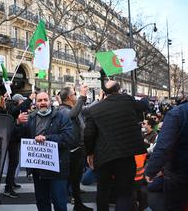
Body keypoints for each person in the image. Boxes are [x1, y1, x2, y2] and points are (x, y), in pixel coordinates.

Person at [84, 80, 148, 211]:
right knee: (125, 193)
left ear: (103, 93)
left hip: (103, 156)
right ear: (119, 90)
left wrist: (90, 154)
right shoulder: (127, 100)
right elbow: (144, 105)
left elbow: (88, 135)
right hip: (126, 155)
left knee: (102, 191)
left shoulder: (93, 109)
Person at [15, 91, 76, 211]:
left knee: (59, 203)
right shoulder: (30, 118)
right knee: (42, 203)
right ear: (35, 103)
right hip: (39, 171)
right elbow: (17, 137)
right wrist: (17, 123)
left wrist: (46, 139)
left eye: (45, 100)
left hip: (57, 170)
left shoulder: (61, 117)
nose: (43, 103)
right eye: (39, 100)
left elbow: (69, 138)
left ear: (50, 101)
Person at [145, 102, 188, 210]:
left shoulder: (178, 113)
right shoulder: (178, 114)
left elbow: (163, 146)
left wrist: (151, 170)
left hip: (179, 172)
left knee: (174, 206)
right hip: (178, 170)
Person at [58, 85, 93, 211]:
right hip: (71, 152)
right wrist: (82, 96)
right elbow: (72, 115)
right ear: (69, 97)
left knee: (75, 179)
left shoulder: (73, 107)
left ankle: (78, 205)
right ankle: (63, 203)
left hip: (78, 149)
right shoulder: (63, 109)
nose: (76, 96)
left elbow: (86, 109)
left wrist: (100, 100)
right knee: (69, 179)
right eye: (74, 94)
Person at [4, 93, 35, 198]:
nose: (23, 103)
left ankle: (11, 182)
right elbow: (18, 110)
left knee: (15, 163)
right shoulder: (11, 108)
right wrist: (30, 99)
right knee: (13, 164)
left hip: (15, 139)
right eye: (22, 101)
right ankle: (8, 188)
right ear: (17, 101)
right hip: (11, 140)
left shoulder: (16, 108)